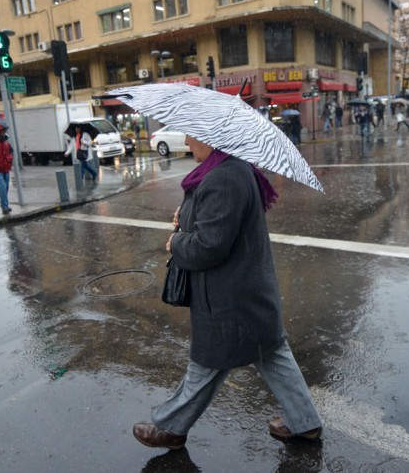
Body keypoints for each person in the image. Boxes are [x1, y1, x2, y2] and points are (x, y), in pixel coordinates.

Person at [132, 135, 322, 450]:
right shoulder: (230, 168)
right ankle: (304, 421)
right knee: (271, 352)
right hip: (250, 292)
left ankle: (171, 427)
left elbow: (209, 246)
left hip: (227, 298)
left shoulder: (222, 177)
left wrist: (177, 242)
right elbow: (218, 222)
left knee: (207, 364)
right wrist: (187, 218)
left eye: (191, 135)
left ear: (211, 138)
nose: (187, 141)